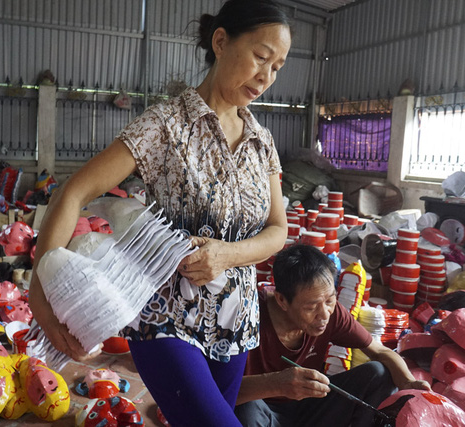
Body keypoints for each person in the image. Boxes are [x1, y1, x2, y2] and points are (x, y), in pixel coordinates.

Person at [28, 0, 291, 425]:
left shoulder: (263, 142)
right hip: (165, 318)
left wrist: (227, 254)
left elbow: (278, 230)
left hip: (236, 324)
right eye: (261, 57)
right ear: (221, 41)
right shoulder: (166, 125)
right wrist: (39, 296)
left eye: (277, 66)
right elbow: (72, 193)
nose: (267, 76)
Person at [234, 245, 432, 427]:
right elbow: (216, 390)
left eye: (330, 300)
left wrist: (409, 383)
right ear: (282, 300)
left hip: (309, 409)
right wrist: (275, 384)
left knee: (378, 373)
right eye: (311, 307)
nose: (324, 315)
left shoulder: (331, 313)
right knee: (245, 408)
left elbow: (380, 351)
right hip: (263, 414)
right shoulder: (247, 318)